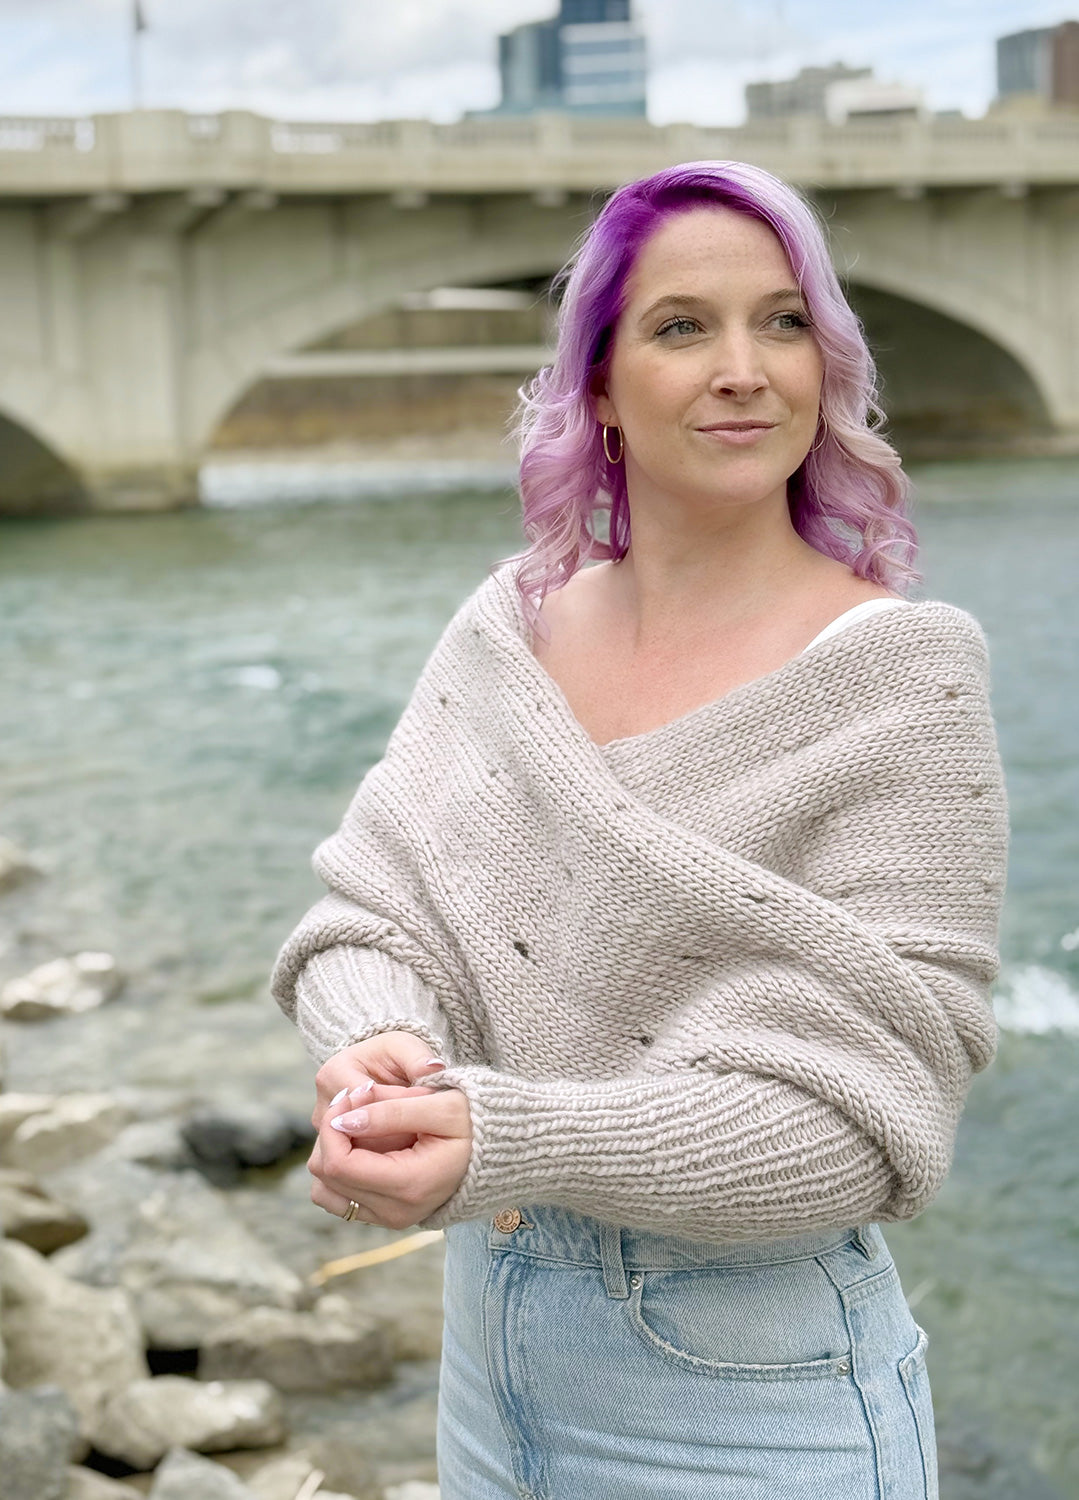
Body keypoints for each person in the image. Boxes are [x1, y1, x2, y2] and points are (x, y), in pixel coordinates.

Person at [271, 161, 1008, 1499]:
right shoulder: (508, 635)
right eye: (682, 327)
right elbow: (367, 913)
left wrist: (507, 1137)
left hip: (753, 1401)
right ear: (600, 386)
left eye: (784, 323)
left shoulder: (907, 679)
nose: (744, 371)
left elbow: (872, 1125)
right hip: (489, 1364)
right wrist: (381, 1046)